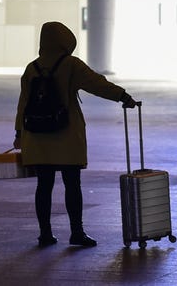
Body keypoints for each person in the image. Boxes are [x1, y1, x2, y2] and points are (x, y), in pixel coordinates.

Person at [13, 21, 137, 248]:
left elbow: (23, 103)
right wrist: (122, 96)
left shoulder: (32, 68)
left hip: (37, 135)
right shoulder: (70, 64)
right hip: (65, 135)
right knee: (72, 184)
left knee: (44, 185)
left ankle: (45, 234)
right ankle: (76, 232)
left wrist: (19, 132)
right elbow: (97, 84)